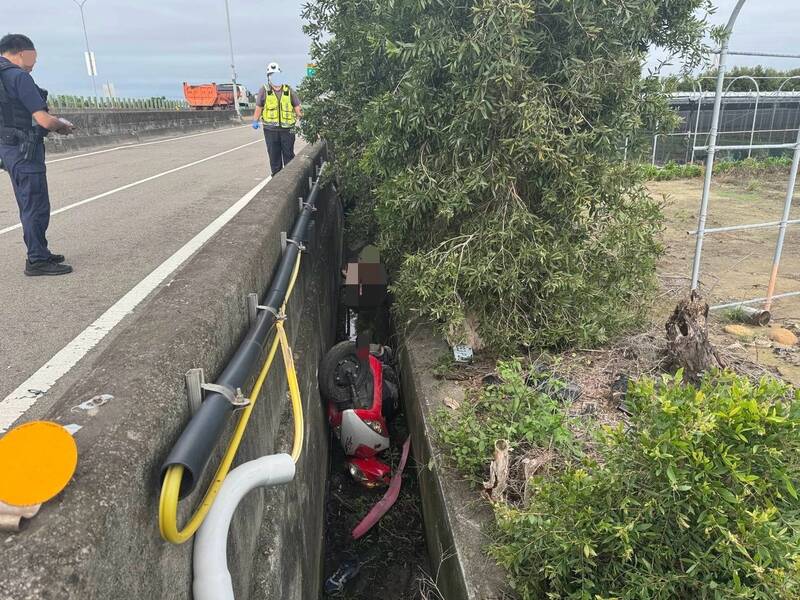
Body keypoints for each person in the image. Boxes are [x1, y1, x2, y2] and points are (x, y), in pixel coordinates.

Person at [0, 34, 75, 276]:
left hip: (9, 149)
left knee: (28, 202)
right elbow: (42, 118)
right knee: (36, 204)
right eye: (33, 57)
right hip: (25, 149)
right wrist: (62, 126)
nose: (34, 64)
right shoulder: (18, 77)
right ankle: (37, 259)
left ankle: (40, 251)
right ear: (22, 52)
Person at [251, 62, 302, 176]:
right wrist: (255, 120)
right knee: (274, 156)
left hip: (287, 130)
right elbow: (259, 106)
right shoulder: (264, 90)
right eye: (272, 75)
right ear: (268, 77)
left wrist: (302, 117)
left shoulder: (288, 90)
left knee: (289, 155)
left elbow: (297, 106)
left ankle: (290, 179)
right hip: (270, 130)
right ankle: (276, 179)